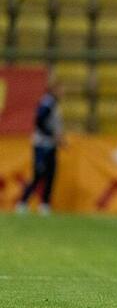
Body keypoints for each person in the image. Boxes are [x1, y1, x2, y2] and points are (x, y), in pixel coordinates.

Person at [16, 81, 64, 215]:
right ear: (53, 89)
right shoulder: (47, 103)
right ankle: (23, 202)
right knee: (38, 174)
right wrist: (53, 134)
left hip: (50, 144)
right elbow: (39, 121)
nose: (63, 93)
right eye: (60, 90)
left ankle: (45, 204)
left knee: (50, 175)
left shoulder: (53, 104)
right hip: (42, 145)